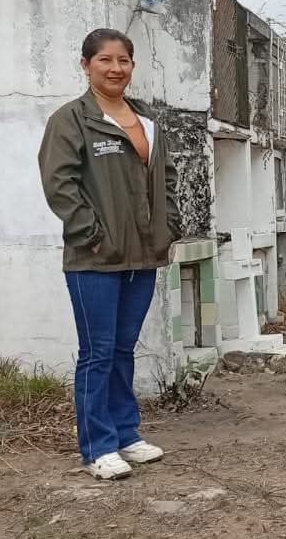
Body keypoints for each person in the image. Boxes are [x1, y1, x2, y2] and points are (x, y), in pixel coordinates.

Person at [39, 28, 181, 481]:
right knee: (97, 352)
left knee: (123, 349)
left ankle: (125, 433)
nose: (115, 68)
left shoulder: (147, 119)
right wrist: (94, 235)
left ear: (132, 66)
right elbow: (59, 185)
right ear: (86, 65)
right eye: (105, 60)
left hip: (143, 256)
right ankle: (97, 446)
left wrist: (168, 227)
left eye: (123, 60)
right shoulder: (71, 120)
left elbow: (167, 178)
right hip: (95, 259)